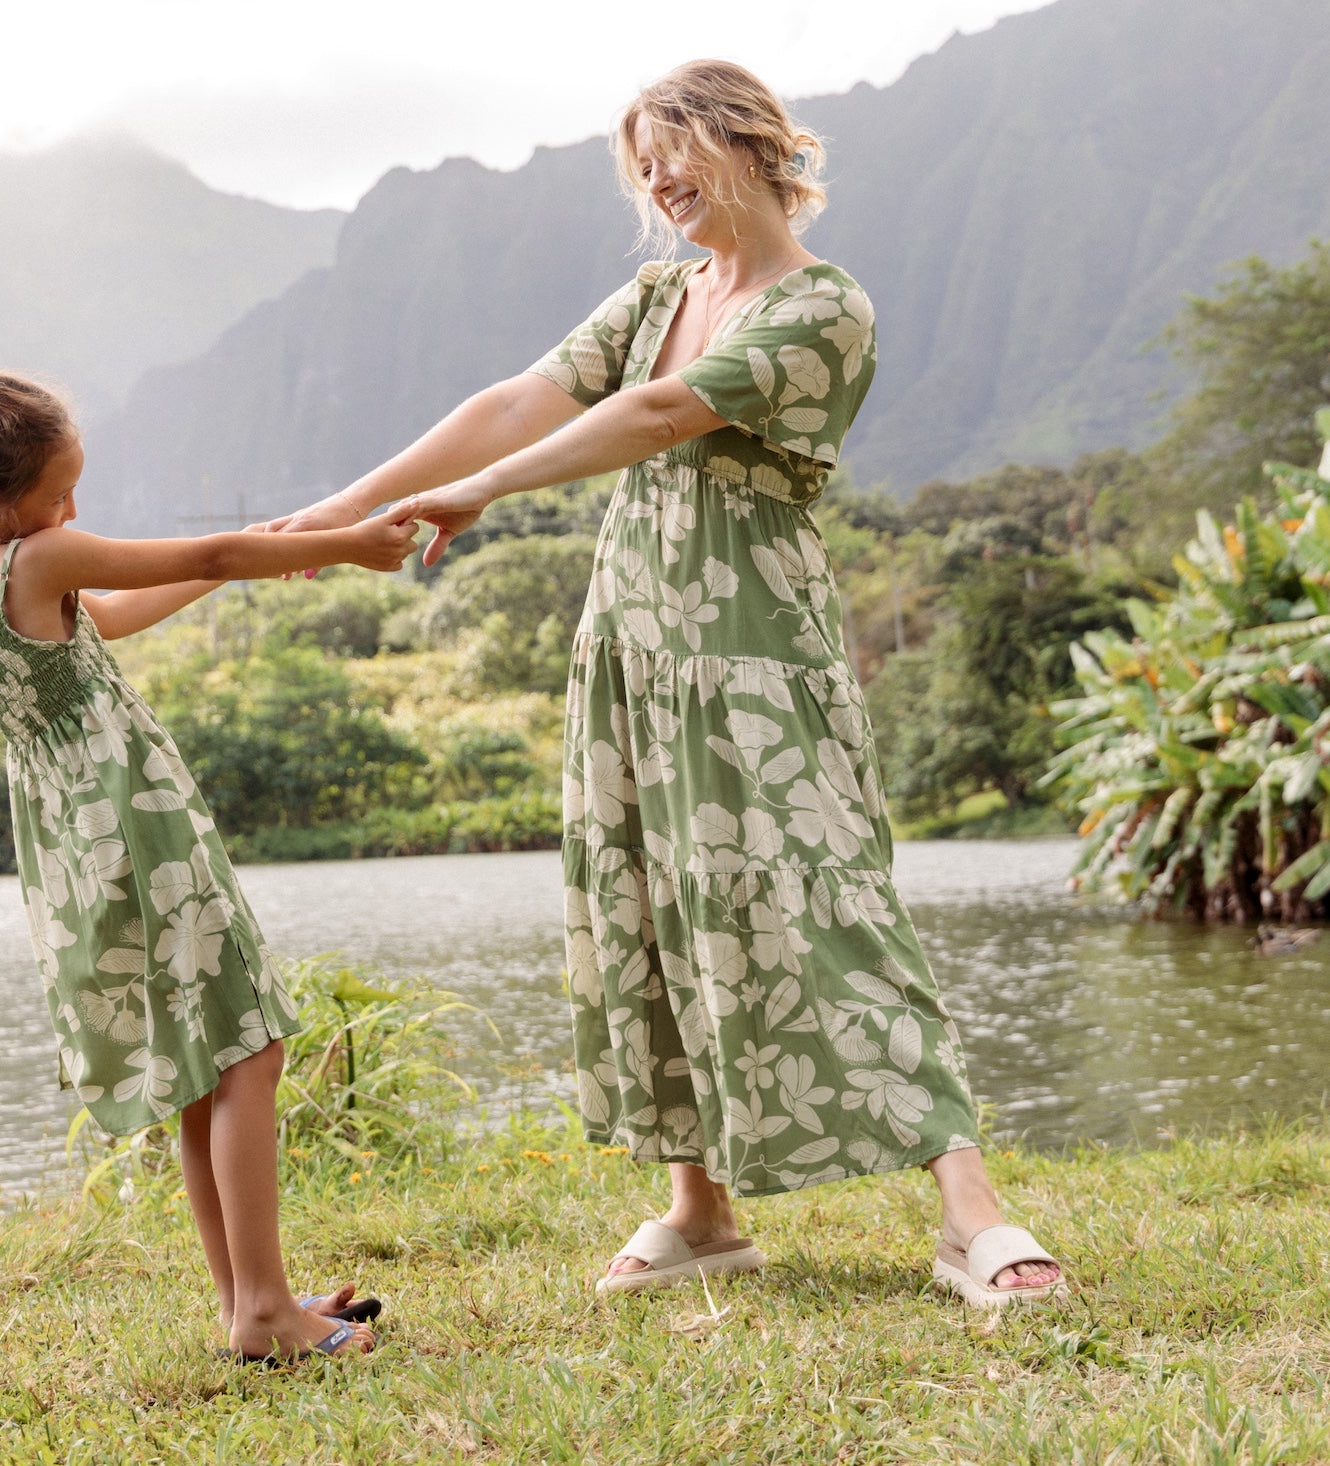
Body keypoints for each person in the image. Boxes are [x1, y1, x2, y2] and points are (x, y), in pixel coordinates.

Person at [273, 63, 1065, 1306]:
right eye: (640, 163)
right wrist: (346, 505)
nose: (655, 180)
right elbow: (515, 398)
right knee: (649, 909)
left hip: (754, 653)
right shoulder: (658, 292)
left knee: (829, 901)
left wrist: (481, 494)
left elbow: (655, 415)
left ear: (746, 142)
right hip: (631, 649)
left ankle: (972, 1213)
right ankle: (702, 1209)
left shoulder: (823, 306)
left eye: (672, 151)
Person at [0, 369, 418, 1358]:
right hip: (137, 824)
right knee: (248, 1046)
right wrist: (344, 543)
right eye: (57, 493)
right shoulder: (39, 556)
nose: (72, 511)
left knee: (197, 1064)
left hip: (77, 845)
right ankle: (265, 1308)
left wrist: (271, 548)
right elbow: (213, 542)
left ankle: (249, 1303)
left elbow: (125, 611)